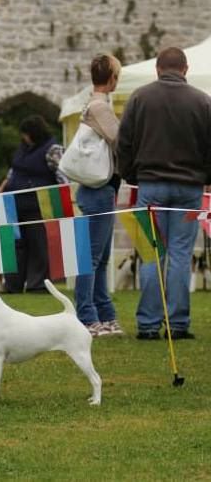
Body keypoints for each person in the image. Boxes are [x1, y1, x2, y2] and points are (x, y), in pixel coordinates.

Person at [117, 46, 211, 340]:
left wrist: (132, 175)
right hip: (189, 188)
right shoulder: (203, 101)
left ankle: (148, 324)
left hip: (151, 185)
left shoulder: (140, 98)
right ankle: (178, 323)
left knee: (151, 255)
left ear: (157, 69)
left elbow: (124, 142)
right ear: (185, 70)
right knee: (181, 256)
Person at [73, 55, 124, 337]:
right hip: (98, 190)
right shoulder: (99, 107)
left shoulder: (96, 105)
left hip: (102, 190)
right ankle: (87, 317)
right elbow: (119, 140)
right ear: (112, 77)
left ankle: (104, 314)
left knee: (100, 258)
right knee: (91, 258)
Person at [0, 115, 67, 293]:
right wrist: (2, 187)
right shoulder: (22, 149)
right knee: (16, 244)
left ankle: (37, 284)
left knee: (39, 245)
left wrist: (63, 195)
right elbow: (13, 171)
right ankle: (12, 284)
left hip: (39, 205)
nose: (24, 137)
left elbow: (62, 175)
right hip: (15, 203)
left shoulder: (53, 149)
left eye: (26, 134)